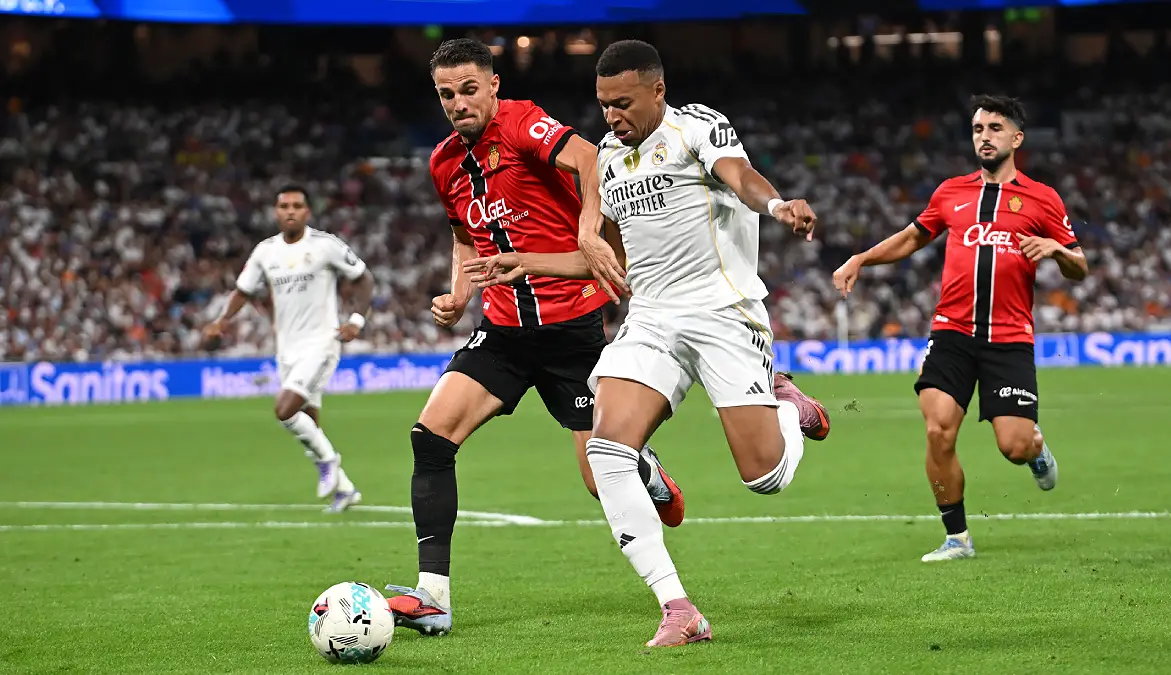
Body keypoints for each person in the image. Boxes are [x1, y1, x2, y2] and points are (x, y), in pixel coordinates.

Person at [465, 39, 832, 648]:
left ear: (658, 91)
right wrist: (524, 261)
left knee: (764, 477)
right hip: (653, 319)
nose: (611, 117)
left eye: (623, 103)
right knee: (607, 452)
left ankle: (790, 408)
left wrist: (777, 205)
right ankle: (678, 607)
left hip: (722, 313)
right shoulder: (608, 157)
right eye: (604, 104)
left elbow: (740, 178)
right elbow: (607, 261)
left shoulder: (697, 128)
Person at [382, 38, 685, 637]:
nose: (458, 103)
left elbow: (591, 160)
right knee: (430, 437)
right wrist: (459, 293)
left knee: (600, 478)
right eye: (447, 93)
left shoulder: (522, 123)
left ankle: (646, 472)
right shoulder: (444, 162)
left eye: (469, 89)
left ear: (493, 85)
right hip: (503, 333)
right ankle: (433, 598)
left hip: (570, 329)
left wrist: (590, 230)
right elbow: (465, 235)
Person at [832, 95, 1089, 562]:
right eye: (977, 129)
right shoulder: (951, 192)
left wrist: (1055, 249)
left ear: (1017, 138)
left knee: (1013, 446)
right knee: (938, 431)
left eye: (994, 128)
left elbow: (1080, 266)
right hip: (952, 332)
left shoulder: (1042, 198)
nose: (984, 137)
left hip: (1009, 338)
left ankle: (1035, 449)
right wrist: (862, 258)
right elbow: (913, 236)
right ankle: (957, 538)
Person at [203, 184, 375, 513]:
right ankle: (345, 489)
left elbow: (363, 278)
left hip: (322, 343)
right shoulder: (265, 252)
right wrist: (221, 320)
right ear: (276, 212)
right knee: (309, 423)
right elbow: (243, 290)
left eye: (297, 205)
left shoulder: (325, 246)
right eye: (284, 206)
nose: (291, 211)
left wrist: (356, 320)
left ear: (307, 212)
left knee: (284, 410)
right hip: (287, 350)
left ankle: (328, 462)